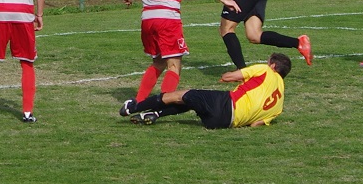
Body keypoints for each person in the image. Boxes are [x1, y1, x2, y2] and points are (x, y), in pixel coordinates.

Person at [119, 52, 291, 128]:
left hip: (227, 104)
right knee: (192, 101)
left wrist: (225, 76)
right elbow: (256, 124)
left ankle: (132, 108)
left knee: (181, 94)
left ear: (273, 66)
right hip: (224, 123)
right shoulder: (280, 104)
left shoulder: (265, 70)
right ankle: (154, 114)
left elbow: (231, 76)